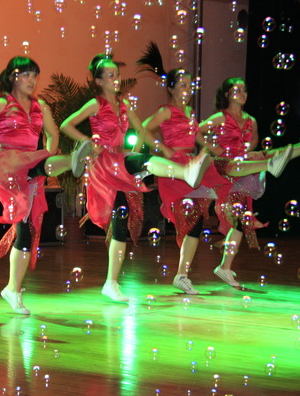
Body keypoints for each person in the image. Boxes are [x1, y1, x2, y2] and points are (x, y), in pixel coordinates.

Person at [139, 43, 296, 295]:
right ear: (170, 88)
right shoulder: (166, 110)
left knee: (199, 219)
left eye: (190, 85)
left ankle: (182, 275)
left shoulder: (190, 113)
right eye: (183, 85)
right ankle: (182, 275)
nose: (188, 89)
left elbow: (197, 138)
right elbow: (143, 128)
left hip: (193, 164)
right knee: (195, 219)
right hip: (176, 167)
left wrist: (214, 148)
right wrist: (164, 150)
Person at [60, 53, 211, 302]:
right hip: (104, 164)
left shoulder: (124, 106)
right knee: (141, 166)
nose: (116, 79)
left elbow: (141, 130)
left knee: (120, 223)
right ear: (99, 81)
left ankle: (111, 283)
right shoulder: (96, 104)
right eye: (110, 75)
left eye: (118, 75)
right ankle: (186, 172)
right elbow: (66, 124)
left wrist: (143, 151)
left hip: (121, 162)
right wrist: (87, 142)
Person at [0, 56, 85, 314]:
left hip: (31, 166)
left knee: (26, 230)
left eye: (34, 76)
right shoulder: (1, 103)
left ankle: (13, 289)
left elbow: (52, 133)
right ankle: (71, 161)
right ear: (13, 77)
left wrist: (48, 151)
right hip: (7, 165)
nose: (32, 80)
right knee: (26, 217)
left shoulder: (41, 107)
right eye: (26, 75)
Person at [199, 77, 300, 286]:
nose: (243, 94)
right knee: (260, 161)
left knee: (239, 221)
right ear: (227, 94)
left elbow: (253, 140)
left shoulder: (251, 120)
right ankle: (277, 161)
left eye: (244, 90)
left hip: (242, 166)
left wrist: (248, 151)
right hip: (224, 167)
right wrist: (215, 148)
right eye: (237, 90)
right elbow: (196, 132)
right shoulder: (220, 117)